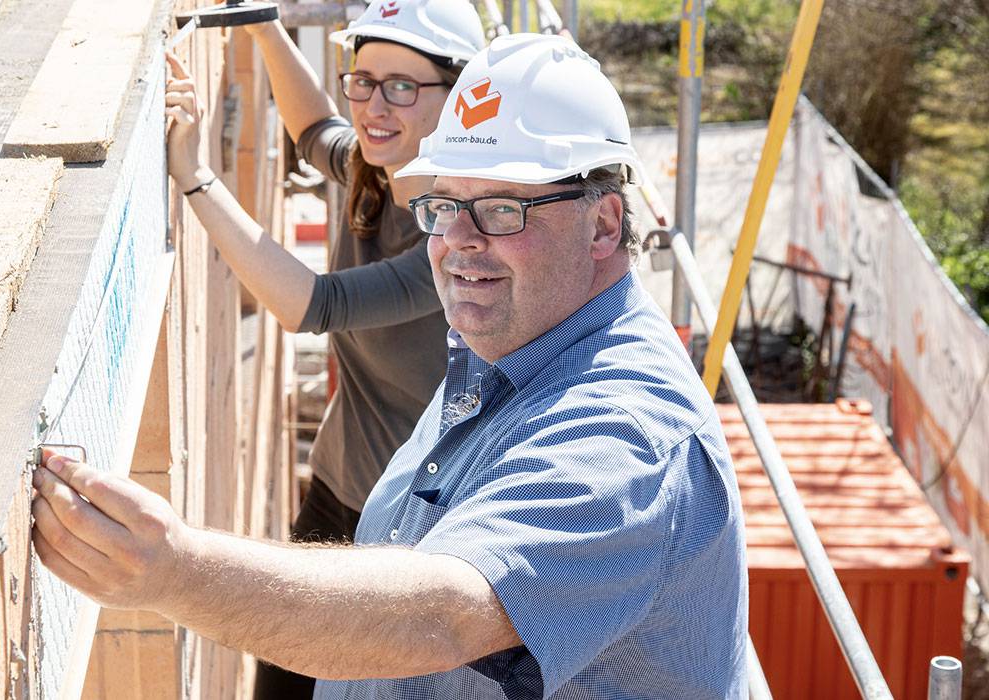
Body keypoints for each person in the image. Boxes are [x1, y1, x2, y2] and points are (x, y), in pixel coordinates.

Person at [37, 33, 748, 699]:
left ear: (602, 225)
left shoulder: (627, 437)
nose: (458, 242)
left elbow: (443, 617)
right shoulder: (510, 340)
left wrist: (175, 571)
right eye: (444, 205)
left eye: (502, 209)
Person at [166, 3, 484, 694]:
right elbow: (314, 131)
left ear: (458, 99)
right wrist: (260, 24)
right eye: (362, 79)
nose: (375, 104)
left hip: (409, 532)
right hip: (337, 492)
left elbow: (313, 304)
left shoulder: (456, 231)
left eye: (403, 86)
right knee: (279, 682)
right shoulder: (380, 169)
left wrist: (194, 174)